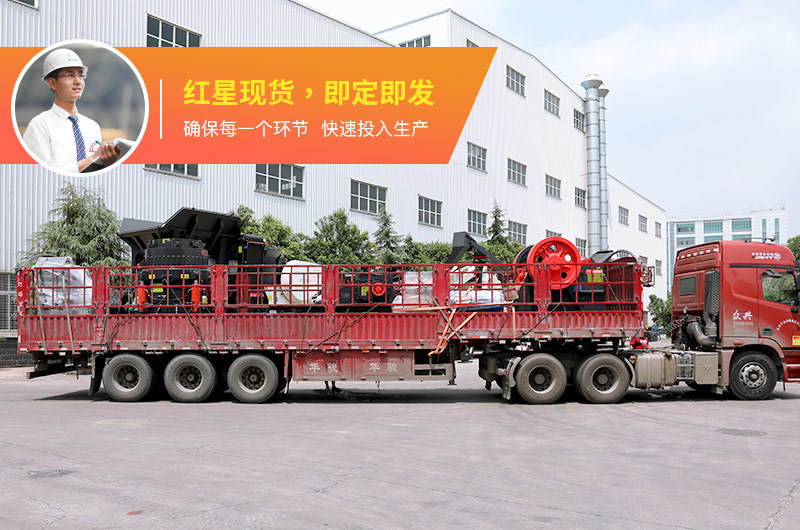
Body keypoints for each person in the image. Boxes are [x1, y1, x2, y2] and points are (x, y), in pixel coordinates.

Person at [22, 48, 120, 173]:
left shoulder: (92, 126)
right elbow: (41, 174)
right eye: (69, 75)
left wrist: (107, 163)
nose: (78, 81)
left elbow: (95, 169)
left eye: (81, 75)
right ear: (52, 83)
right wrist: (92, 159)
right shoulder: (40, 125)